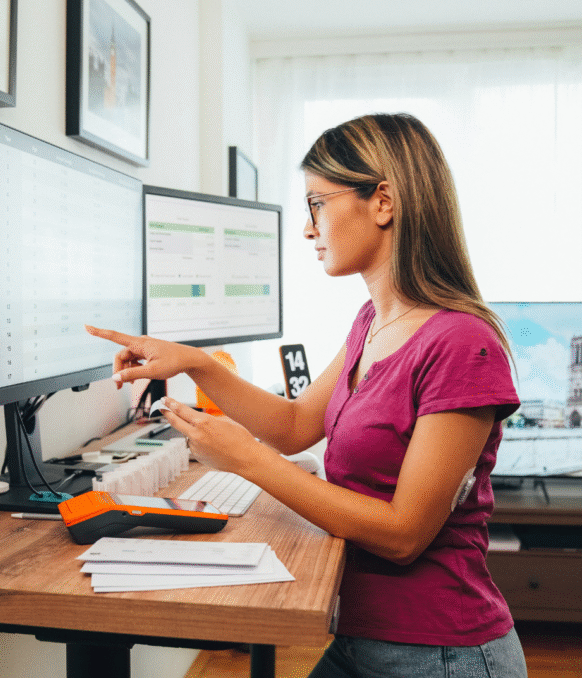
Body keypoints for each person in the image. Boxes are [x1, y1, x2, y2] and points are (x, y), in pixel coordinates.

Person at [86, 113, 527, 677]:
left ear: (383, 202)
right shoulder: (371, 321)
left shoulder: (462, 343)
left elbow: (403, 535)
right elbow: (297, 424)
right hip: (362, 636)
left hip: (440, 650)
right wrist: (196, 362)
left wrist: (248, 460)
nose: (308, 227)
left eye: (317, 203)